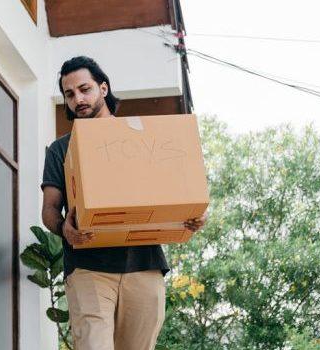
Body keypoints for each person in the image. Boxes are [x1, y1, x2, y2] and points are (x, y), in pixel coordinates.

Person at [41, 56, 207, 350]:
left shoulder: (141, 137)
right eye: (70, 94)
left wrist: (191, 214)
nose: (78, 99)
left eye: (85, 89)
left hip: (144, 266)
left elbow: (175, 189)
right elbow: (50, 209)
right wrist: (64, 228)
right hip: (88, 268)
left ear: (103, 88)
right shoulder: (60, 149)